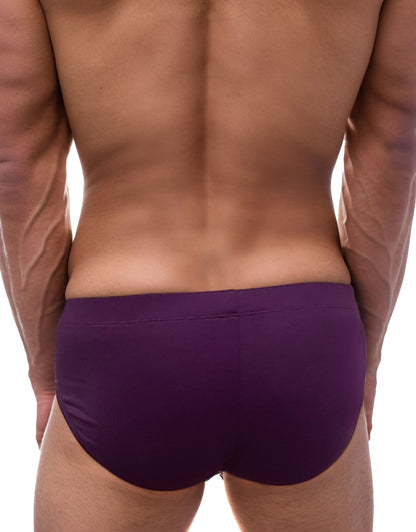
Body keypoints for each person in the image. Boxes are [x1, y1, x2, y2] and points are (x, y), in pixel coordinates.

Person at [0, 0, 415, 530]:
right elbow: (393, 147)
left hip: (124, 339)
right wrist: (364, 358)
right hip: (304, 332)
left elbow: (19, 162)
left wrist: (46, 372)